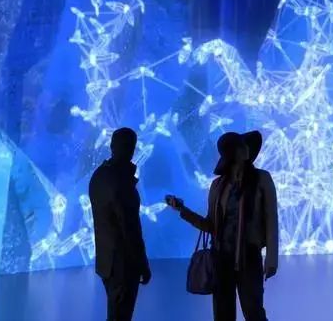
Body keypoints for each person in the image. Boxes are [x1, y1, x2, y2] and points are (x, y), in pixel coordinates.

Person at [166, 131, 278, 321]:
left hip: (249, 257)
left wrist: (272, 259)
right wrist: (182, 210)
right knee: (222, 314)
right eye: (240, 146)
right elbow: (211, 225)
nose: (246, 149)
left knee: (254, 312)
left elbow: (271, 219)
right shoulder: (218, 185)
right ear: (232, 153)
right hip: (221, 259)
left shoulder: (262, 179)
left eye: (244, 145)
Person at [89, 127, 152, 321]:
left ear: (111, 146)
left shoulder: (99, 175)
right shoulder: (121, 181)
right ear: (132, 149)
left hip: (106, 260)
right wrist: (142, 264)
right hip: (123, 264)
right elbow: (130, 228)